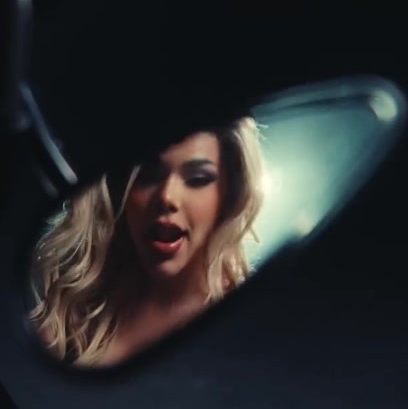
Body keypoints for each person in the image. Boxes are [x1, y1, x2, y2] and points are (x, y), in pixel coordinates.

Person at [30, 117, 265, 367]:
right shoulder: (78, 310)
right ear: (123, 190)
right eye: (149, 175)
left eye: (197, 179)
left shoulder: (246, 321)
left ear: (229, 196)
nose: (167, 197)